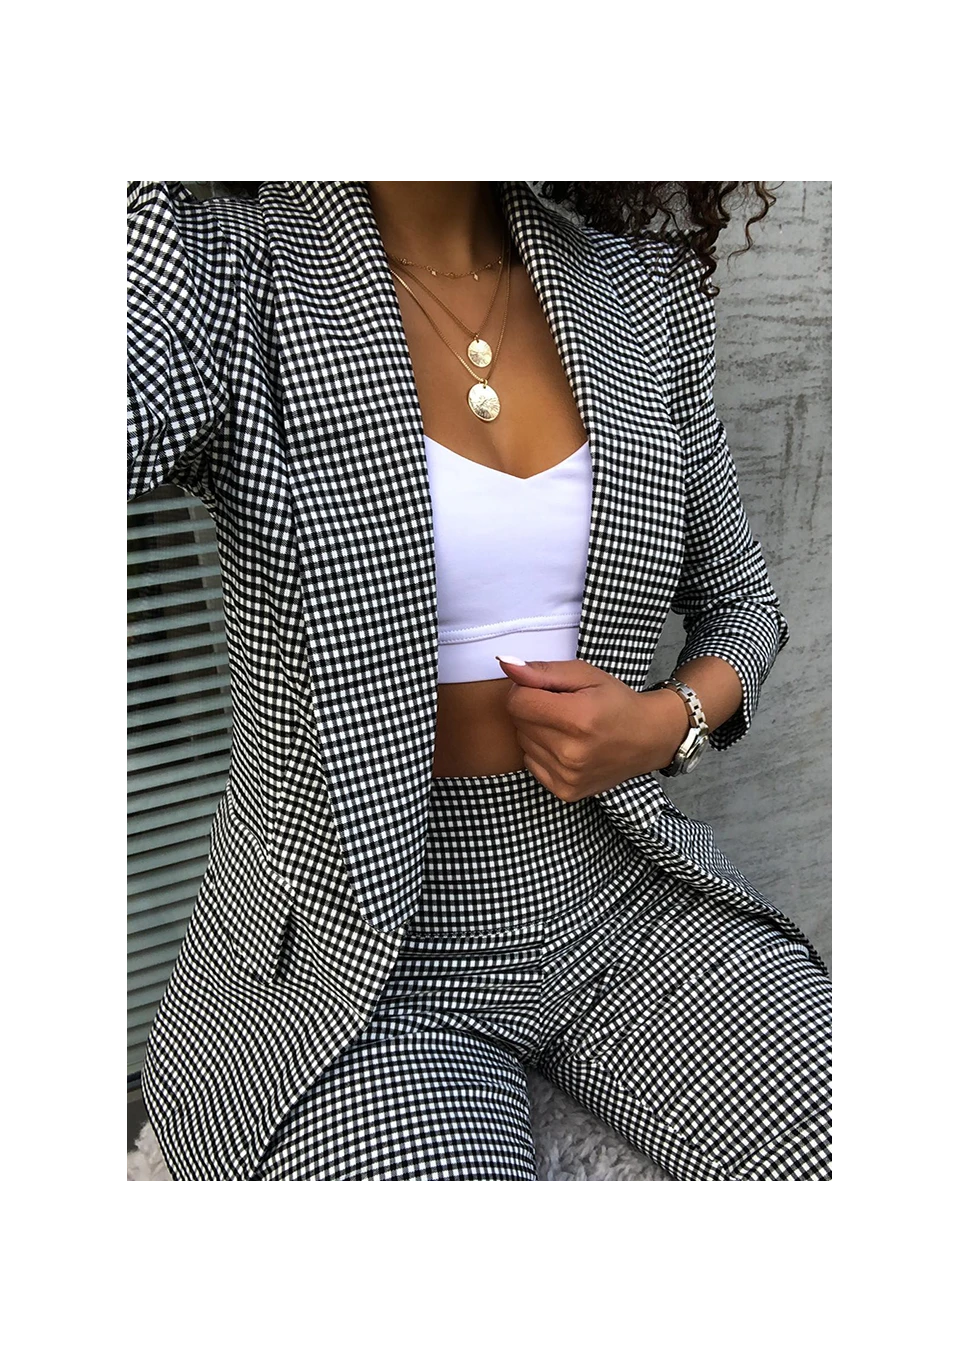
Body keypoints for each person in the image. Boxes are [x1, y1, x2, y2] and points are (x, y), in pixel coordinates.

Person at [125, 176, 831, 1183]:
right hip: (358, 952)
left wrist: (664, 723)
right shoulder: (224, 273)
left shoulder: (640, 291)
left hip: (619, 893)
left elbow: (745, 604)